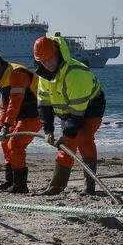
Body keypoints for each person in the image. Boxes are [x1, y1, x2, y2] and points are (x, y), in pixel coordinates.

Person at [33, 35, 106, 195]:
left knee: (83, 138)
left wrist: (66, 133)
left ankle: (89, 189)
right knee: (66, 147)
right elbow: (43, 105)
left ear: (58, 53)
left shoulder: (76, 74)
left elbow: (78, 113)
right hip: (68, 111)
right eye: (43, 60)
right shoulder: (43, 75)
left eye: (50, 58)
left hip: (90, 108)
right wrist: (48, 131)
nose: (48, 63)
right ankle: (55, 187)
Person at [0, 50, 42, 193]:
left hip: (35, 114)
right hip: (21, 115)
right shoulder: (1, 79)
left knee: (16, 143)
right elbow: (4, 107)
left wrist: (7, 126)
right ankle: (10, 181)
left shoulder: (17, 73)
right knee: (5, 142)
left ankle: (21, 186)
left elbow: (15, 101)